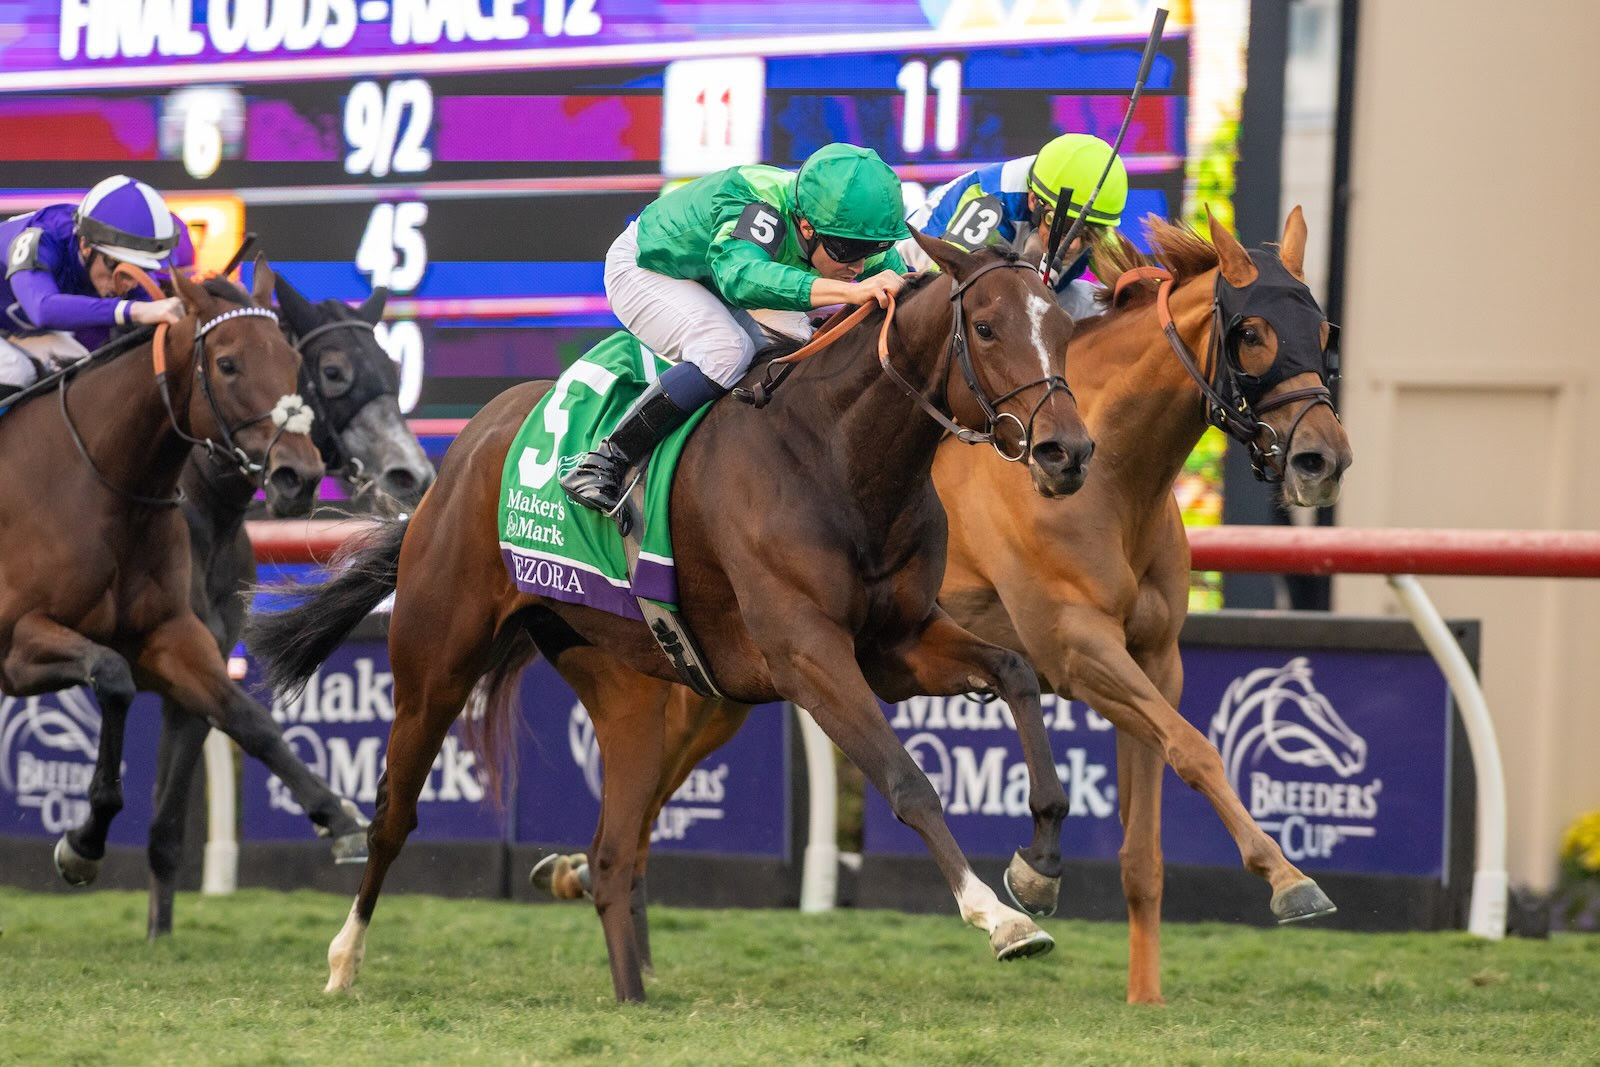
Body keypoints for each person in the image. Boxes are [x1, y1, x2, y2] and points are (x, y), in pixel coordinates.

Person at [560, 142, 912, 517]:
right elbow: (738, 277)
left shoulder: (851, 230)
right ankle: (605, 460)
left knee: (808, 354)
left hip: (719, 278)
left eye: (874, 248)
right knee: (726, 350)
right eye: (847, 250)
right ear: (806, 227)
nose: (860, 265)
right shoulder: (758, 202)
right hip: (648, 268)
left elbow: (921, 291)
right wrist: (850, 292)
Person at [900, 133, 1126, 320]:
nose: (1075, 245)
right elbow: (948, 292)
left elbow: (1138, 286)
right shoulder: (988, 200)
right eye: (1064, 225)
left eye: (1089, 232)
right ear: (1033, 200)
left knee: (1111, 309)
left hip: (1013, 292)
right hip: (917, 285)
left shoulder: (1091, 216)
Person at [0, 175, 186, 401]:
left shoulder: (105, 253)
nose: (129, 282)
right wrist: (134, 310)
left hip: (13, 329)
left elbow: (159, 315)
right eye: (119, 265)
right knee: (15, 370)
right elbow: (42, 309)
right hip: (20, 328)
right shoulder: (41, 238)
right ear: (85, 245)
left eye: (141, 269)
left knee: (80, 369)